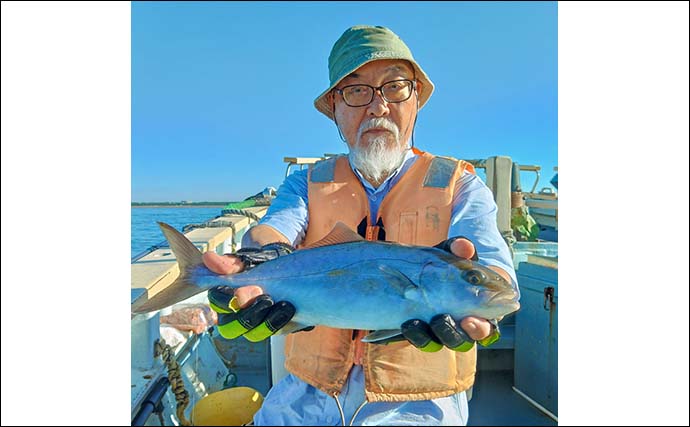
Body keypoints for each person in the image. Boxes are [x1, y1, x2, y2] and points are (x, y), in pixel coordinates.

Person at [203, 25, 519, 426]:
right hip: (304, 394)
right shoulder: (306, 180)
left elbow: (494, 271)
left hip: (419, 404)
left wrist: (484, 309)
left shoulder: (459, 183)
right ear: (335, 107)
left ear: (416, 98)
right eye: (356, 91)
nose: (378, 107)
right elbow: (275, 229)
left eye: (395, 87)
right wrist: (258, 255)